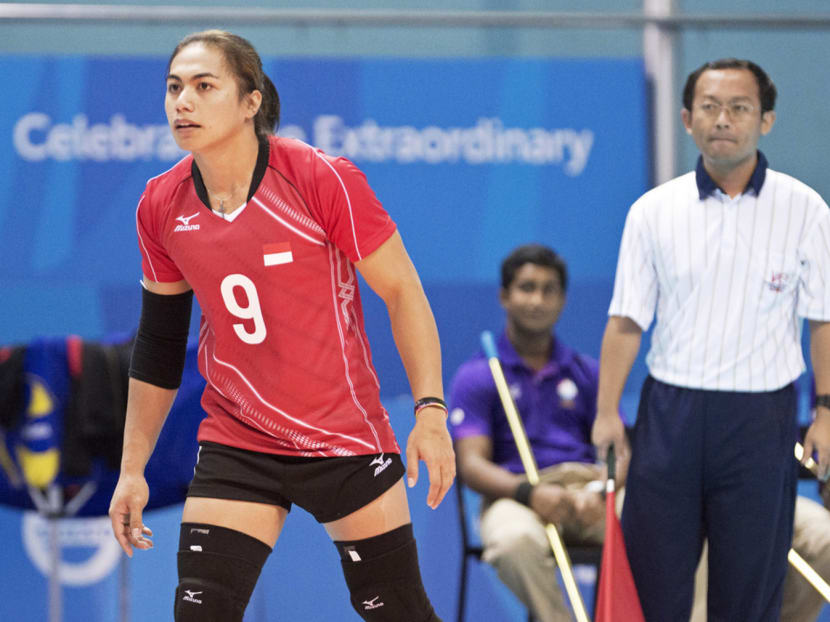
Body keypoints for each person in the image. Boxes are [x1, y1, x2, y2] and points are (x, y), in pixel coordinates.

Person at [107, 30, 455, 622]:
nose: (181, 103)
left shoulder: (320, 178)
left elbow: (402, 291)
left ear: (250, 102)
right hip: (239, 435)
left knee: (398, 610)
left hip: (340, 435)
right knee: (201, 611)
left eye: (203, 86)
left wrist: (430, 411)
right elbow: (161, 345)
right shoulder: (160, 205)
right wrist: (132, 469)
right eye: (173, 88)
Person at [593, 58, 830, 621]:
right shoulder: (653, 211)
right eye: (710, 106)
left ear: (766, 120)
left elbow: (823, 320)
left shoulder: (806, 210)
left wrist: (826, 408)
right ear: (686, 117)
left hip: (761, 421)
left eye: (739, 107)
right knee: (655, 590)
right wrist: (606, 412)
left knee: (748, 593)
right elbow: (626, 320)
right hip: (671, 418)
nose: (723, 119)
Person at [448, 244, 619, 621]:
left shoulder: (586, 371)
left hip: (587, 491)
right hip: (516, 494)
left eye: (549, 289)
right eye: (527, 288)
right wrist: (530, 493)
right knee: (513, 543)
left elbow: (620, 450)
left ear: (562, 299)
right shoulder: (478, 375)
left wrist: (602, 490)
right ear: (504, 296)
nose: (538, 300)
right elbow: (471, 464)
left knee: (672, 529)